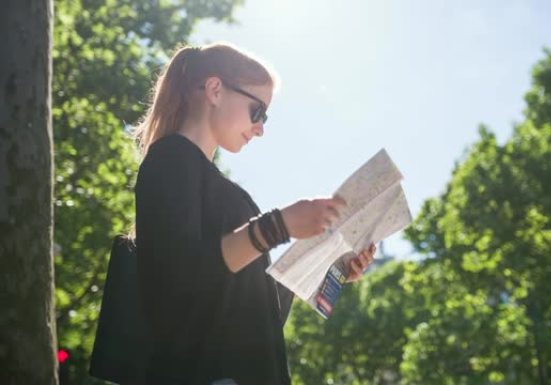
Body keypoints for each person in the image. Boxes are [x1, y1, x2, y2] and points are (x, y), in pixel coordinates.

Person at [128, 42, 377, 385]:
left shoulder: (214, 184)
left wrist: (331, 271)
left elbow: (255, 312)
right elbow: (179, 279)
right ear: (215, 90)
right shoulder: (171, 158)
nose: (261, 128)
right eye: (257, 111)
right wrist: (279, 225)